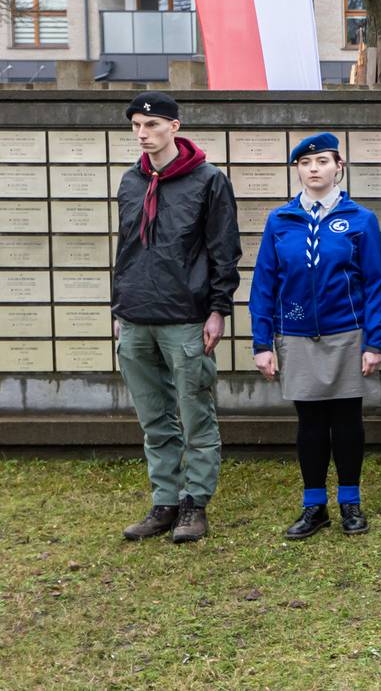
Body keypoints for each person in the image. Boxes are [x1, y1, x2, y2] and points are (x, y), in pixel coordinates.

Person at [113, 91, 240, 544]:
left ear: (174, 126)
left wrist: (218, 309)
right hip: (135, 317)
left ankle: (194, 503)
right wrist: (119, 308)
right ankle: (164, 502)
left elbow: (224, 250)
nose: (142, 134)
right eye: (136, 126)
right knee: (154, 418)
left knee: (195, 416)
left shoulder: (208, 181)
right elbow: (125, 249)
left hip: (186, 318)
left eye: (151, 125)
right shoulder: (131, 181)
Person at [251, 133, 381, 538]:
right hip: (295, 333)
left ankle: (350, 501)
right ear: (297, 170)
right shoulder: (280, 220)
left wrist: (374, 341)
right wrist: (262, 342)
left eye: (323, 161)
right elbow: (264, 283)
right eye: (306, 163)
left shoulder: (360, 219)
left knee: (347, 420)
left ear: (338, 167)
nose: (314, 169)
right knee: (310, 421)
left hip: (346, 332)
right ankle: (314, 506)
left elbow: (376, 283)